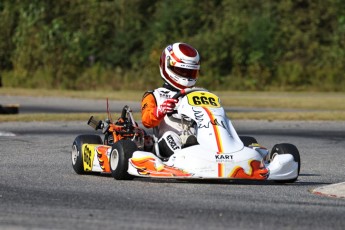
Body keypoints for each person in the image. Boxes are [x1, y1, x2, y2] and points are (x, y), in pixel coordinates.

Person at [141, 42, 200, 158]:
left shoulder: (197, 95)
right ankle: (183, 158)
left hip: (196, 138)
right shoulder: (154, 95)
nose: (186, 76)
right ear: (167, 65)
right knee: (170, 136)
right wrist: (160, 110)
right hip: (167, 141)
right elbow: (146, 120)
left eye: (190, 72)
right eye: (182, 71)